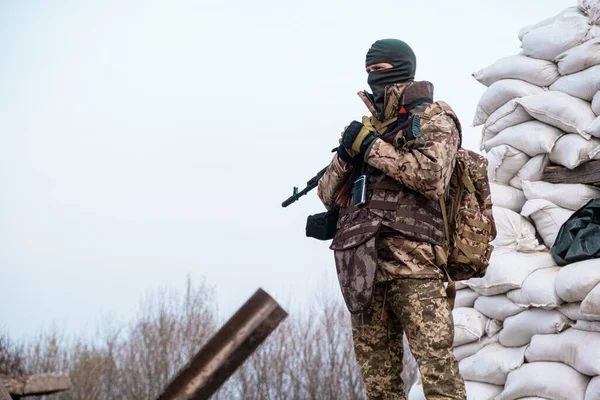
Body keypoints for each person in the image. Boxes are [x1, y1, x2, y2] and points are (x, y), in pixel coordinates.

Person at [317, 39, 466, 400]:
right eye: (369, 71)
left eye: (380, 70)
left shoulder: (433, 119)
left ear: (403, 68)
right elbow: (326, 194)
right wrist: (348, 155)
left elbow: (432, 177)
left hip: (416, 267)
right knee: (380, 386)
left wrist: (372, 148)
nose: (373, 78)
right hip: (363, 270)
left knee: (438, 375)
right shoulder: (368, 127)